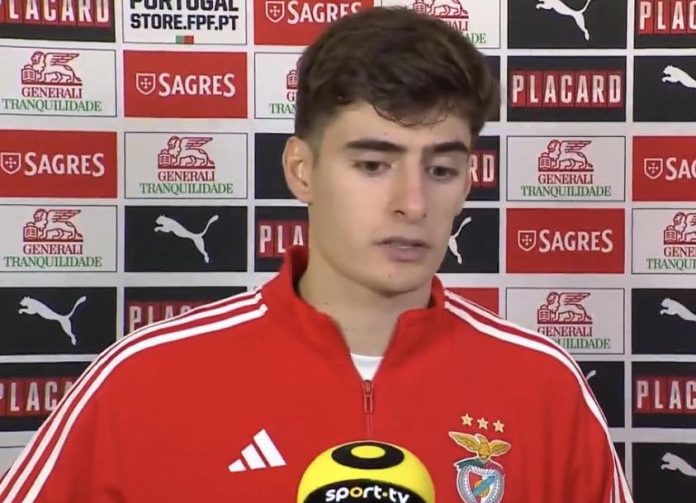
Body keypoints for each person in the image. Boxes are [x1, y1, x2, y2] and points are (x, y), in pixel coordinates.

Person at [0, 6, 632, 502]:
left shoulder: (544, 387)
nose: (412, 204)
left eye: (441, 169)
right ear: (302, 170)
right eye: (373, 164)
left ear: (468, 181)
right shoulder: (142, 381)